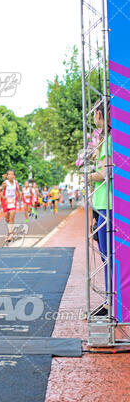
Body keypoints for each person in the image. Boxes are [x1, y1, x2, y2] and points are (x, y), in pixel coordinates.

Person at [89, 100, 112, 316]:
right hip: (104, 205)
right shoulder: (107, 140)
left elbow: (105, 175)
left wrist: (87, 176)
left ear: (99, 114)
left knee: (108, 256)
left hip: (108, 205)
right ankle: (109, 300)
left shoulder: (108, 142)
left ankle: (110, 302)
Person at [1, 170, 21, 242]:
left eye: (12, 174)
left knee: (12, 216)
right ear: (7, 176)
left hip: (13, 201)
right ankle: (10, 230)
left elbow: (18, 191)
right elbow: (0, 191)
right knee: (7, 218)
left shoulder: (16, 182)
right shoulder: (5, 183)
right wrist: (3, 197)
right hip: (5, 202)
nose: (11, 176)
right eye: (9, 174)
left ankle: (10, 233)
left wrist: (20, 196)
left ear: (14, 176)